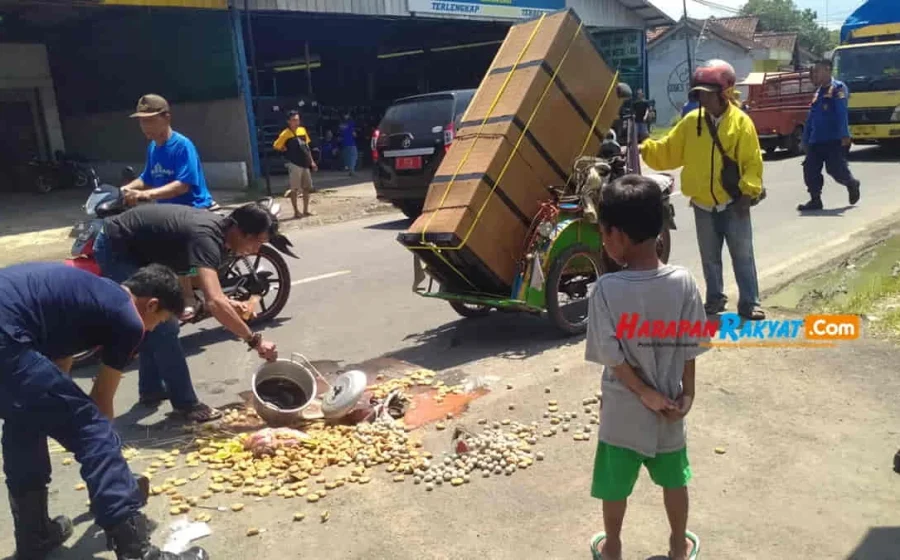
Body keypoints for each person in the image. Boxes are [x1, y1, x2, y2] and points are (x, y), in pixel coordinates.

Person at [0, 262, 207, 560]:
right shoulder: (129, 320)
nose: (153, 330)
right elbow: (100, 400)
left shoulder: (92, 295)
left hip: (10, 328)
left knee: (25, 420)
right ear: (151, 305)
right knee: (92, 429)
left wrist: (107, 475)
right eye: (159, 322)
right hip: (5, 335)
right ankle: (138, 552)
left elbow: (57, 369)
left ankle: (34, 535)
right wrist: (112, 463)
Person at [585, 175, 708, 560]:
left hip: (623, 410)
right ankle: (676, 546)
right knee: (675, 480)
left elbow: (610, 354)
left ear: (617, 235)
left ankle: (614, 547)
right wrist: (687, 394)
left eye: (604, 232)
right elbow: (692, 345)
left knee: (614, 485)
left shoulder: (606, 290)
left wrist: (642, 393)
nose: (604, 240)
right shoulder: (684, 282)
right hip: (670, 408)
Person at [92, 203, 280, 423]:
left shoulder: (220, 237)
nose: (256, 250)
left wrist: (221, 300)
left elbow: (190, 270)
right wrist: (255, 340)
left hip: (145, 250)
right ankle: (186, 404)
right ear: (240, 232)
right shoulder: (206, 239)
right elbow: (214, 302)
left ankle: (151, 389)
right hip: (117, 247)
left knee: (156, 323)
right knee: (163, 323)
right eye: (256, 242)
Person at [641, 60, 766, 321]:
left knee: (743, 256)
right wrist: (645, 146)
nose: (703, 98)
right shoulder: (690, 122)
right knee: (709, 258)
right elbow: (669, 150)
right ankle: (715, 299)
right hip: (702, 204)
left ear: (725, 93)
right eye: (700, 93)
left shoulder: (741, 123)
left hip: (734, 202)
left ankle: (750, 303)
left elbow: (753, 163)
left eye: (708, 93)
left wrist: (747, 194)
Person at [120, 94, 215, 210]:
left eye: (150, 120)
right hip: (168, 212)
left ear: (167, 118)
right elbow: (147, 179)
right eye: (142, 121)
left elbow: (182, 186)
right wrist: (125, 190)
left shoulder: (182, 145)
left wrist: (144, 194)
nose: (145, 126)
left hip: (193, 209)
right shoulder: (153, 147)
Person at [798, 58, 861, 212]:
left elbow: (841, 113)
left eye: (818, 71)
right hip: (816, 140)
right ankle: (815, 199)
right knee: (810, 169)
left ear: (827, 70)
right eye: (814, 71)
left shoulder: (838, 89)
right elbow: (810, 118)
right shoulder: (818, 92)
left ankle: (851, 183)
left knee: (835, 169)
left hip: (833, 139)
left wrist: (845, 134)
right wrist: (805, 140)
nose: (815, 74)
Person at [273, 110, 317, 219]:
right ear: (288, 121)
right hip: (294, 163)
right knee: (294, 189)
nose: (296, 122)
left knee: (307, 188)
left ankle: (305, 210)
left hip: (305, 163)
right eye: (294, 120)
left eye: (297, 119)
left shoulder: (302, 130)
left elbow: (307, 147)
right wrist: (284, 148)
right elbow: (276, 145)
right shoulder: (285, 133)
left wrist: (312, 161)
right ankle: (296, 211)